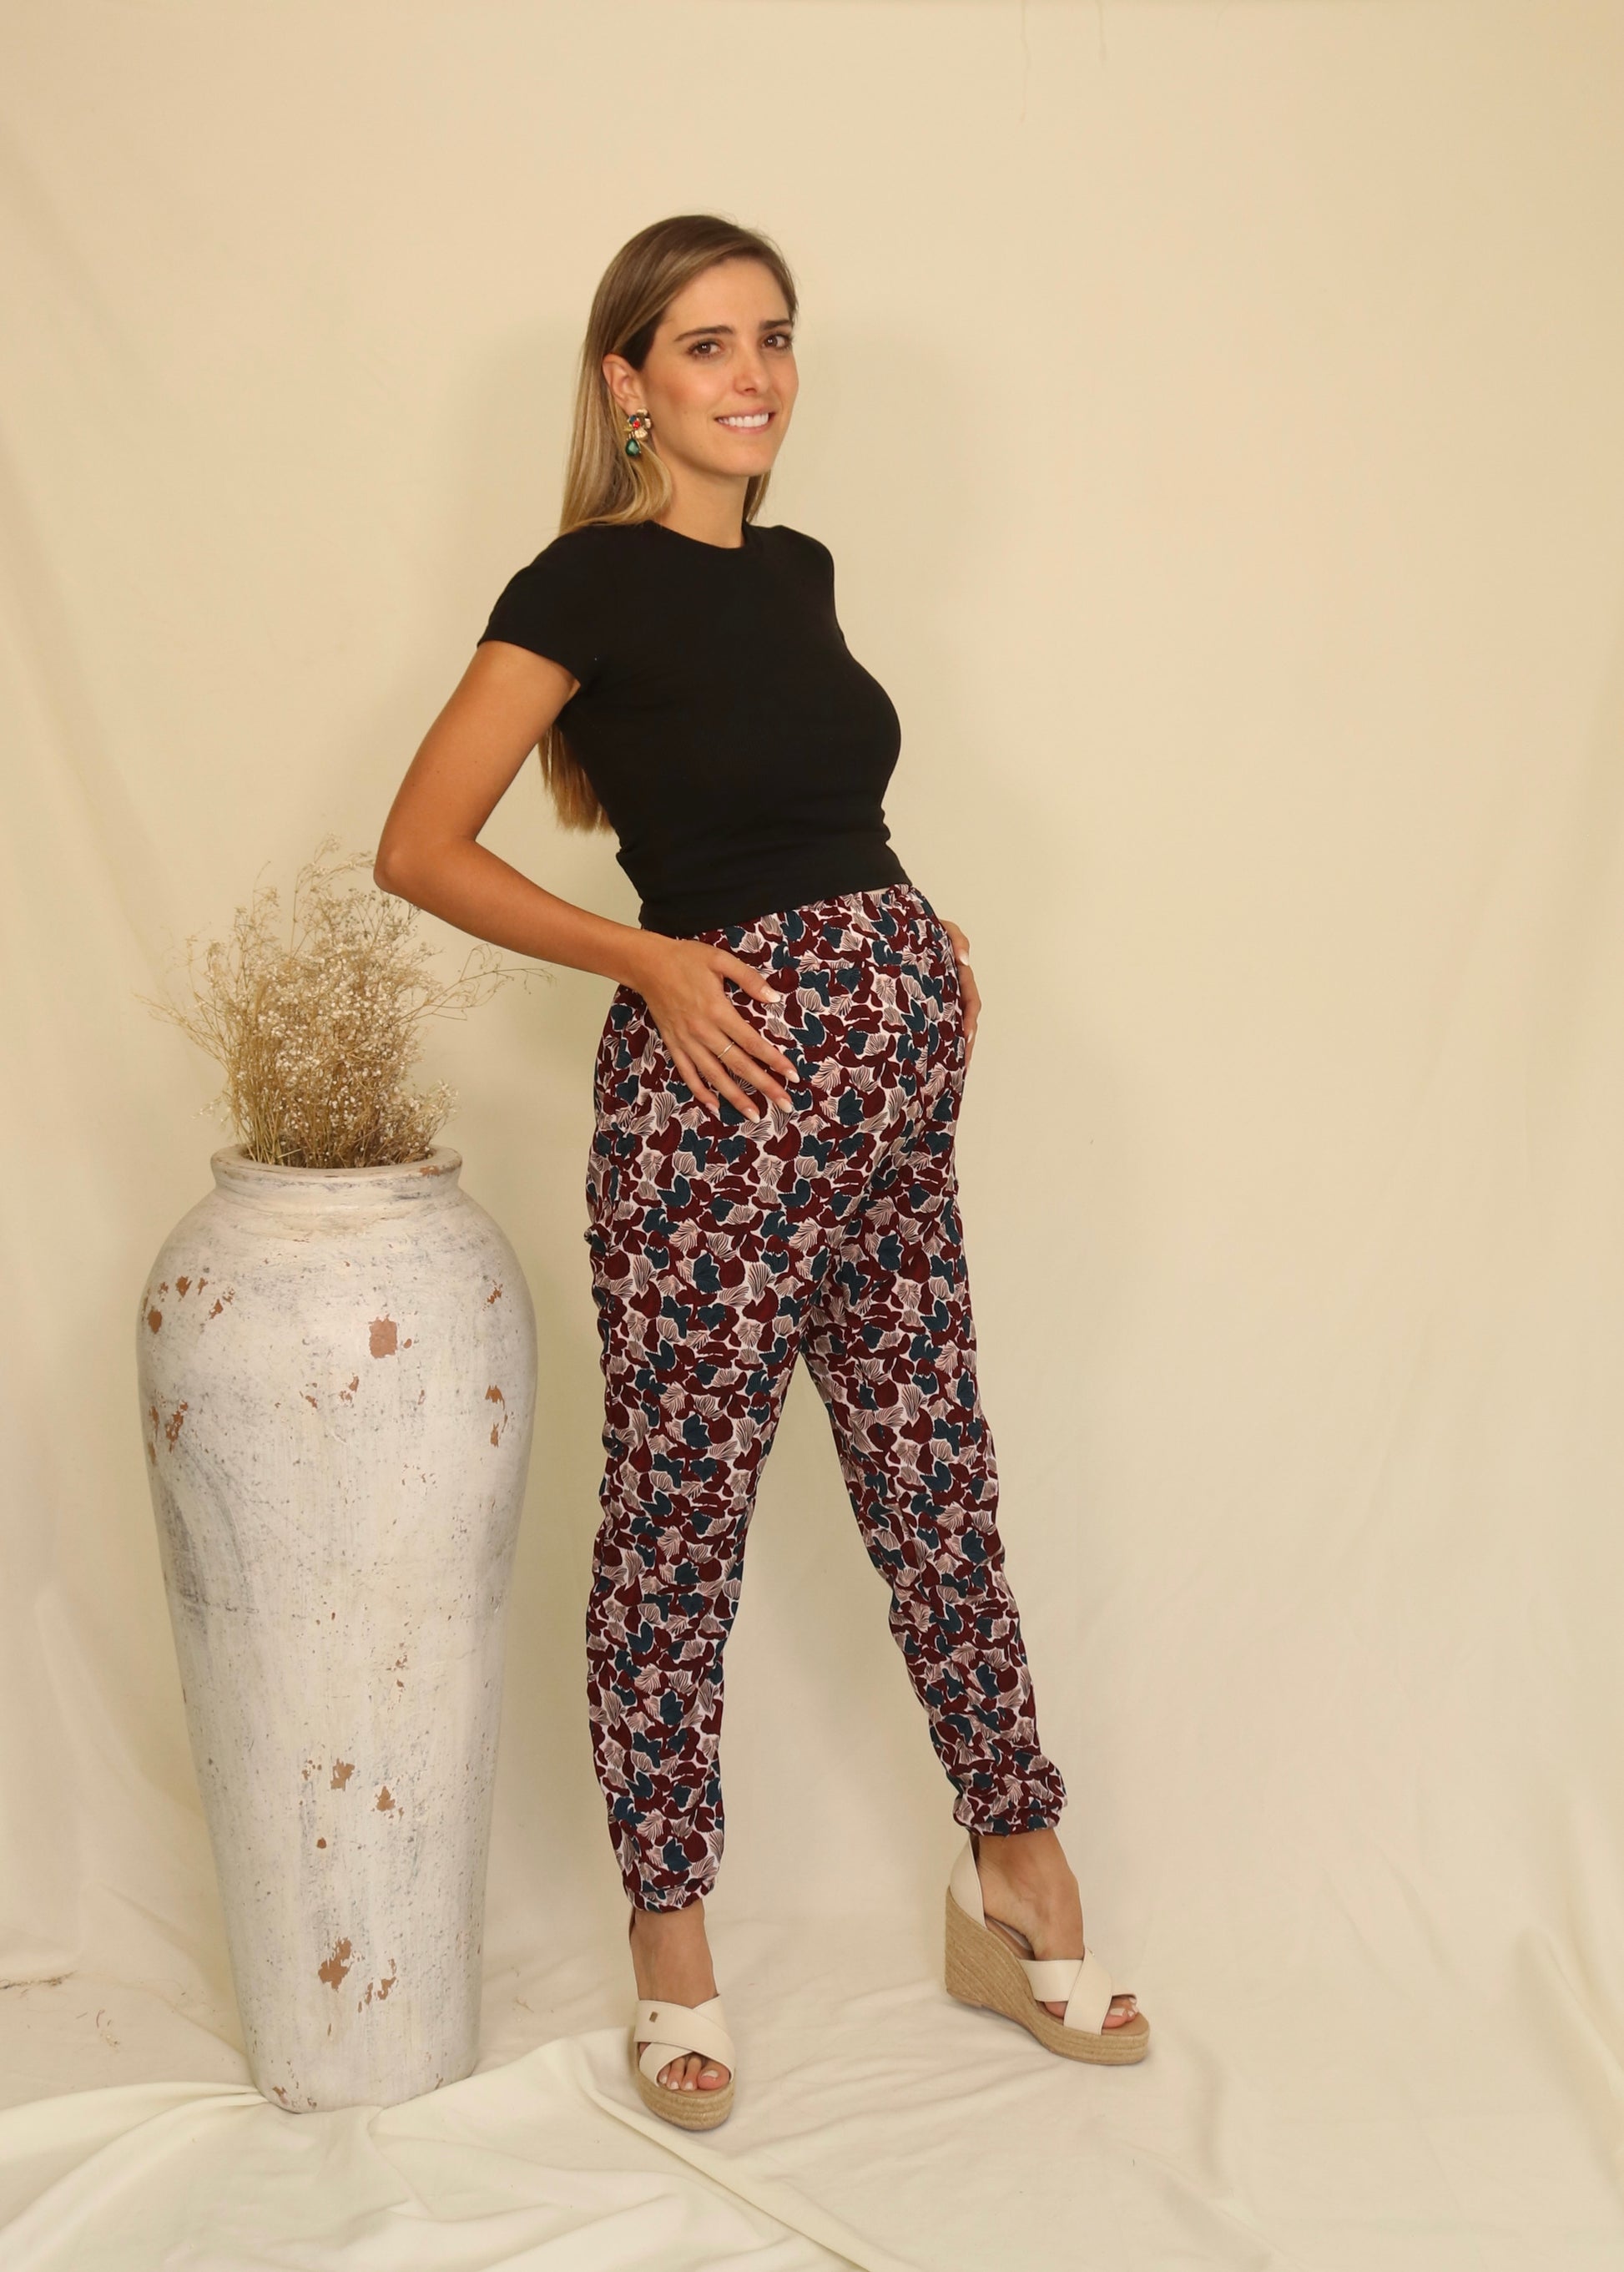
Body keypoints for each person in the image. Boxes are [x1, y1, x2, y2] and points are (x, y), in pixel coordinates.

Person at [375, 213, 1148, 2128]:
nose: (754, 375)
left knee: (934, 1478)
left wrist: (914, 929)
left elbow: (811, 807)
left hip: (889, 1094)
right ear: (628, 382)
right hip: (716, 1109)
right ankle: (670, 1931)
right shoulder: (584, 578)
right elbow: (420, 842)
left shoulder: (798, 569)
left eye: (774, 337)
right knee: (681, 1517)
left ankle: (1015, 1863)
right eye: (708, 344)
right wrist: (645, 958)